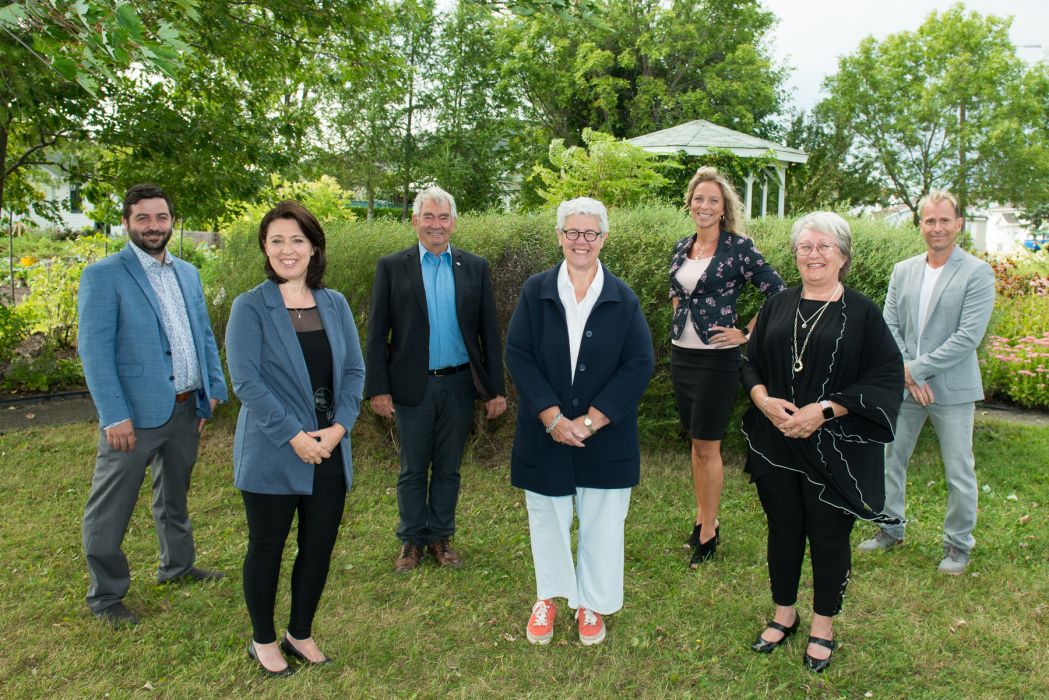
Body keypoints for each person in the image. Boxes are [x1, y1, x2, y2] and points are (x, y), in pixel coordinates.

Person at [740, 212, 904, 672]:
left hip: (835, 446)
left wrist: (825, 410)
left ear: (843, 256)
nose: (813, 254)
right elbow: (748, 362)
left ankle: (823, 626)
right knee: (783, 527)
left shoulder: (863, 312)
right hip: (777, 441)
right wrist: (763, 400)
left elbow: (886, 377)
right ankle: (784, 614)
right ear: (795, 255)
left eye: (824, 246)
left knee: (829, 536)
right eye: (805, 247)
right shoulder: (777, 304)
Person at [78, 183, 228, 628]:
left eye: (161, 217)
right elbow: (96, 352)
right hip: (134, 417)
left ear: (171, 221)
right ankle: (106, 595)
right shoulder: (104, 276)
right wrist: (114, 415)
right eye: (143, 218)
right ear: (126, 222)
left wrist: (211, 388)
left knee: (174, 497)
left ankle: (177, 567)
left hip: (185, 409)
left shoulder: (187, 272)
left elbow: (202, 334)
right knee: (110, 508)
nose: (153, 226)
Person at [506, 197, 654, 647]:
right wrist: (552, 417)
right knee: (547, 516)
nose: (581, 241)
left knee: (603, 521)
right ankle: (549, 597)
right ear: (559, 237)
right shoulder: (536, 291)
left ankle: (591, 602)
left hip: (604, 435)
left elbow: (639, 363)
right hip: (545, 431)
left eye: (590, 233)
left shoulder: (622, 298)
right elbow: (518, 354)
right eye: (572, 232)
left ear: (604, 238)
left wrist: (590, 422)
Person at [226, 201, 365, 676]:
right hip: (272, 450)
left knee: (318, 547)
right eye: (277, 240)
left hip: (330, 447)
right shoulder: (250, 306)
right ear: (265, 248)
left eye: (297, 240)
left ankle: (299, 632)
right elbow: (246, 383)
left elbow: (353, 370)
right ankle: (263, 640)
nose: (288, 250)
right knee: (267, 548)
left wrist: (339, 428)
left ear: (314, 247)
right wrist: (294, 437)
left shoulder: (335, 303)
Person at [364, 186, 507, 572]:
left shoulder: (475, 267)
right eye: (429, 217)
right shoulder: (393, 267)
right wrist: (378, 387)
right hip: (412, 386)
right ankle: (411, 541)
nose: (436, 224)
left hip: (459, 385)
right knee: (413, 467)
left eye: (443, 217)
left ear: (454, 223)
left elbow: (489, 335)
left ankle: (441, 538)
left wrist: (496, 390)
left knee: (448, 467)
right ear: (415, 221)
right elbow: (377, 333)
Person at [857, 190, 995, 575]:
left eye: (944, 220)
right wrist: (906, 371)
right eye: (930, 220)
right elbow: (889, 326)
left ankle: (957, 545)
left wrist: (915, 370)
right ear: (920, 225)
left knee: (958, 469)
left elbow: (968, 337)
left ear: (959, 224)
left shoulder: (977, 272)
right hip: (904, 386)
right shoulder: (903, 270)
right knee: (890, 458)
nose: (937, 228)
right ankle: (889, 529)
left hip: (951, 389)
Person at [668, 166, 785, 567]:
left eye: (713, 201)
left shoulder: (739, 248)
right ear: (690, 203)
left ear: (723, 209)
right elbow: (676, 293)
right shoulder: (682, 246)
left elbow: (778, 292)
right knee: (696, 443)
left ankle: (709, 530)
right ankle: (701, 518)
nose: (704, 206)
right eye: (699, 199)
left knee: (709, 444)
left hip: (717, 360)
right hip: (681, 355)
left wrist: (746, 334)